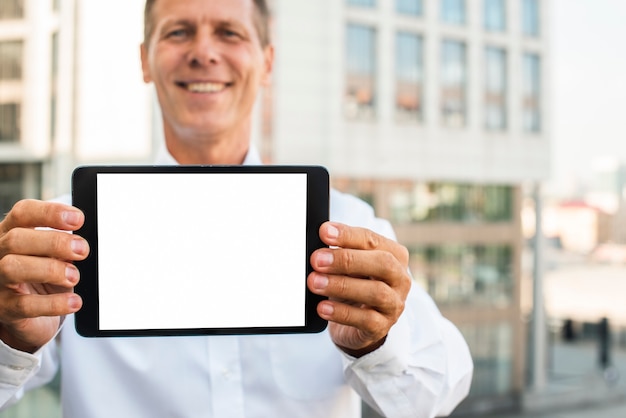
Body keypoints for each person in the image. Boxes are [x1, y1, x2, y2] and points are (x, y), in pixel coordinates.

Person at [0, 0, 473, 416]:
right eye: (178, 31)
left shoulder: (348, 228)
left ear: (267, 62)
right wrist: (11, 337)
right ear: (145, 61)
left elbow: (436, 395)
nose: (204, 52)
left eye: (229, 32)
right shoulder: (65, 236)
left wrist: (375, 343)